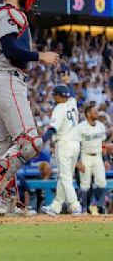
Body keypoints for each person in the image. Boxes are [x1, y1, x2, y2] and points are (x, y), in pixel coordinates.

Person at [0, 0, 60, 214]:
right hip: (8, 81)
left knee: (5, 149)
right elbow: (12, 49)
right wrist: (40, 55)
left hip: (2, 81)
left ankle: (7, 201)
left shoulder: (3, 13)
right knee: (31, 143)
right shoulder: (11, 13)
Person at [40, 84, 82, 215]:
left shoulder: (59, 108)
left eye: (55, 95)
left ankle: (75, 206)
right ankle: (56, 207)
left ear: (58, 96)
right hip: (75, 144)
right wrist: (68, 83)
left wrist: (41, 141)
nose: (54, 97)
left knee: (65, 177)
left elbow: (52, 129)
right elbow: (72, 95)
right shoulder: (72, 102)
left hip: (64, 144)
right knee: (64, 177)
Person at [76, 104, 108, 215]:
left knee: (102, 183)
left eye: (96, 111)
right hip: (85, 155)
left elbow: (103, 144)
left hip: (98, 156)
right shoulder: (81, 127)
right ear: (88, 114)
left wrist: (106, 159)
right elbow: (77, 145)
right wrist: (79, 161)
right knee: (85, 184)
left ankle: (94, 204)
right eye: (94, 112)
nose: (97, 113)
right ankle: (84, 208)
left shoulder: (101, 126)